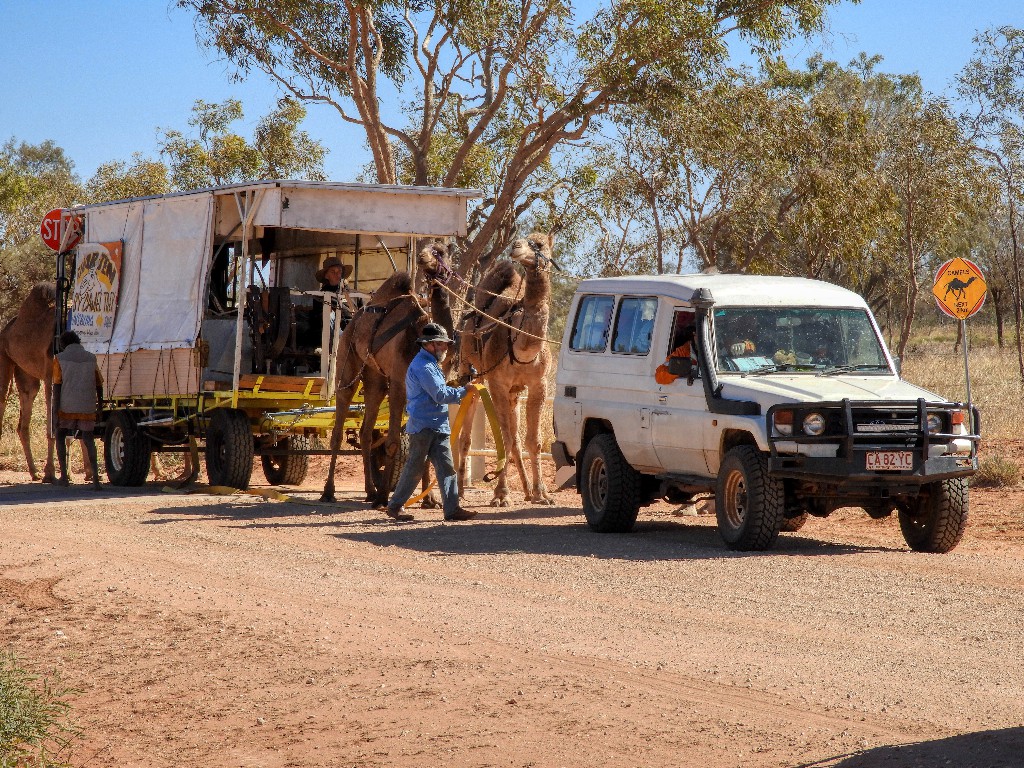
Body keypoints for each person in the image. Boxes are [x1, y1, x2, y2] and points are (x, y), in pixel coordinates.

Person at [385, 323, 477, 523]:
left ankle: (452, 509)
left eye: (445, 344)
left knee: (447, 468)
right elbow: (440, 394)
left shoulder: (431, 365)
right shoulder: (423, 366)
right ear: (429, 345)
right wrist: (465, 391)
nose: (445, 348)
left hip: (437, 425)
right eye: (441, 344)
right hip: (424, 426)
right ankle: (395, 506)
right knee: (414, 468)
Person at [51, 330, 102, 488]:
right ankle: (96, 480)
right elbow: (99, 384)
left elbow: (57, 386)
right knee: (88, 439)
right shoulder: (91, 358)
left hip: (67, 406)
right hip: (87, 406)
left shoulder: (59, 359)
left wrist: (55, 411)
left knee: (60, 436)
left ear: (63, 344)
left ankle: (64, 478)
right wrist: (99, 406)